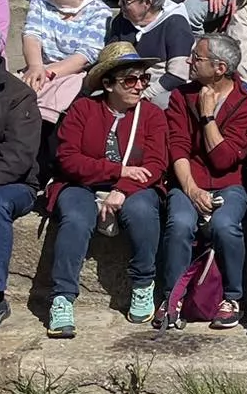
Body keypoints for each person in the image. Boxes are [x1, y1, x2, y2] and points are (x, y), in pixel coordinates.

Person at [45, 44, 167, 336]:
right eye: (130, 80)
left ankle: (143, 283)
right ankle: (62, 297)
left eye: (144, 79)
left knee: (141, 211)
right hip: (81, 184)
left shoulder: (151, 115)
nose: (139, 86)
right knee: (76, 218)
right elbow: (68, 159)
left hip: (135, 186)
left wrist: (122, 188)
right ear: (109, 84)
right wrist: (117, 171)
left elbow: (156, 163)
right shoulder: (83, 109)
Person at [158, 32, 247, 332]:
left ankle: (232, 297)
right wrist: (191, 189)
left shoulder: (244, 101)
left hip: (229, 183)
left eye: (196, 58)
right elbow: (178, 147)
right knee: (180, 223)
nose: (189, 62)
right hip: (189, 180)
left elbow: (225, 160)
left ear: (220, 68)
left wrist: (208, 116)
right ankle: (171, 297)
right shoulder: (180, 96)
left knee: (226, 226)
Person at [107, 0, 196, 97]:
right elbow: (109, 61)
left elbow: (178, 76)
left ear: (147, 3)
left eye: (126, 1)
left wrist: (143, 95)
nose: (120, 3)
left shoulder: (175, 24)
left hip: (157, 93)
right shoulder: (122, 20)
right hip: (122, 89)